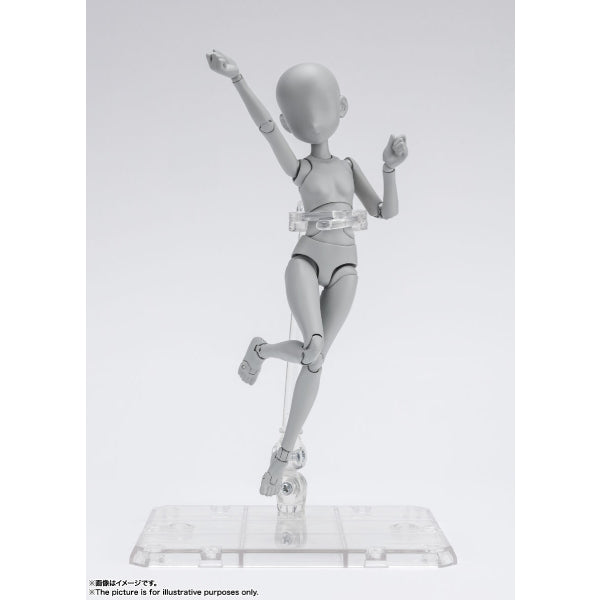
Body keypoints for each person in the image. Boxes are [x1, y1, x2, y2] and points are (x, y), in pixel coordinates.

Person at [207, 50, 408, 495]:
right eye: (299, 113)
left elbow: (385, 211)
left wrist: (389, 168)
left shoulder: (348, 166)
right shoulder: (301, 169)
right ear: (288, 121)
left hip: (346, 268)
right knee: (313, 349)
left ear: (342, 107)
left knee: (316, 361)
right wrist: (237, 78)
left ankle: (280, 444)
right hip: (307, 260)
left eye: (322, 105)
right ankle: (265, 362)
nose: (313, 118)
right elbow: (266, 130)